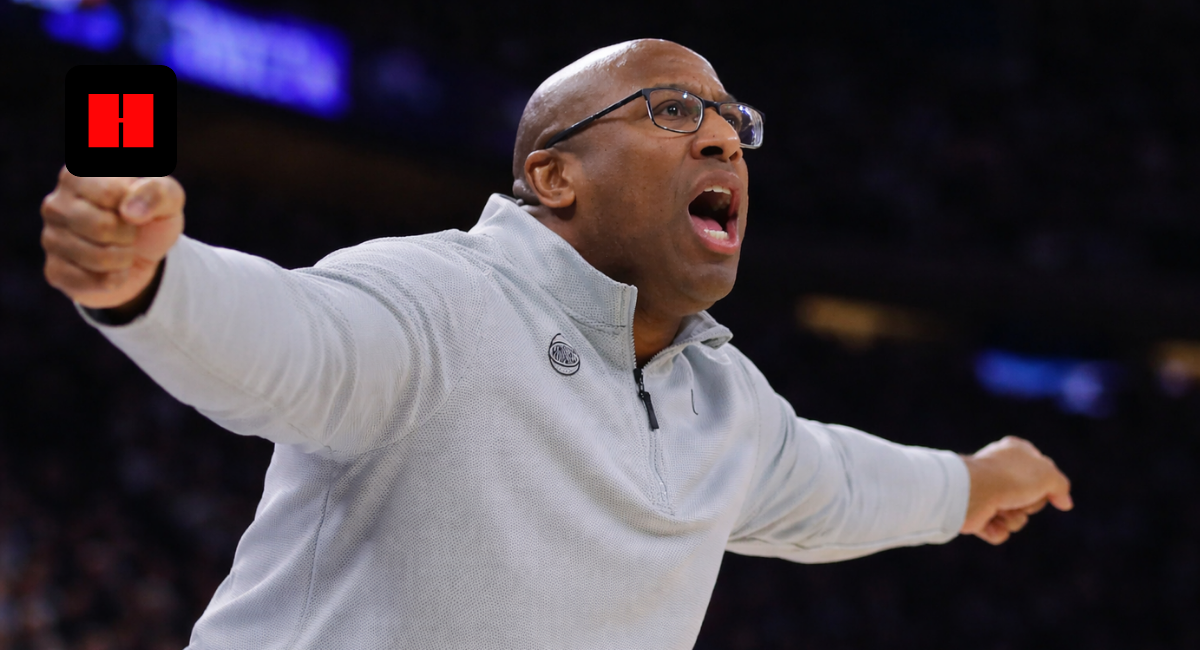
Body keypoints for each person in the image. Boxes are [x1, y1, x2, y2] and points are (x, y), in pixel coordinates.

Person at [39, 39, 1072, 649]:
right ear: (553, 175)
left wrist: (973, 481)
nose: (722, 138)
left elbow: (840, 482)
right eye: (674, 110)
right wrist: (149, 281)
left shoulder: (727, 403)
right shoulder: (441, 297)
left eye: (732, 123)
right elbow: (288, 339)